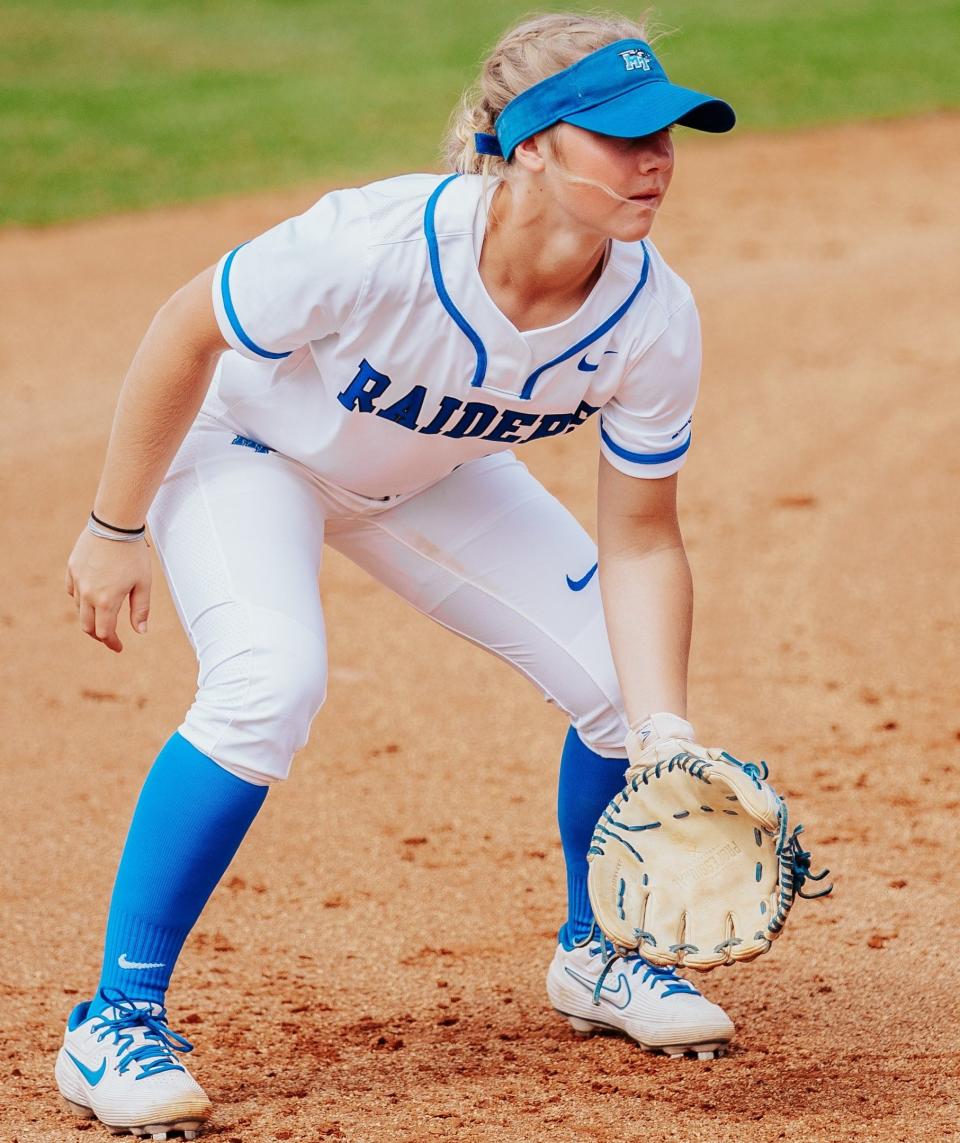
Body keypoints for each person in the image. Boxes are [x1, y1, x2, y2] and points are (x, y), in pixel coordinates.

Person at [58, 11, 738, 1139]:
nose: (655, 159)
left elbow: (644, 538)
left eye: (667, 132)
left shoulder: (652, 315)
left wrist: (664, 728)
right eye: (620, 137)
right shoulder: (371, 243)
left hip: (427, 472)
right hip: (247, 457)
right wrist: (112, 525)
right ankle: (114, 1019)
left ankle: (599, 954)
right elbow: (186, 329)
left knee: (628, 690)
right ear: (526, 143)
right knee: (269, 683)